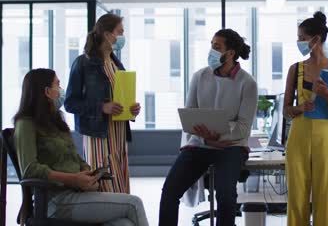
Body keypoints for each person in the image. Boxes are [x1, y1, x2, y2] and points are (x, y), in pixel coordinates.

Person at [14, 68, 149, 226]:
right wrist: (74, 180)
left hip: (76, 194)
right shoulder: (25, 124)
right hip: (56, 201)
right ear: (47, 91)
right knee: (134, 204)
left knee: (124, 224)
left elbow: (74, 156)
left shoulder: (55, 121)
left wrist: (88, 175)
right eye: (58, 85)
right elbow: (30, 169)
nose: (61, 90)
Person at [158, 29, 258, 226]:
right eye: (211, 45)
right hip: (199, 144)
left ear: (230, 53)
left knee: (226, 195)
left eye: (217, 47)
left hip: (231, 147)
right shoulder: (200, 76)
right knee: (170, 191)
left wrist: (217, 136)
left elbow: (243, 129)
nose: (211, 50)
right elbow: (189, 115)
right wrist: (205, 138)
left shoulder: (248, 84)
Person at [283, 11, 328, 226]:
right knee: (297, 197)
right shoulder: (296, 69)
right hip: (299, 137)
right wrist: (299, 107)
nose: (299, 42)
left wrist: (327, 95)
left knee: (325, 196)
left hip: (327, 138)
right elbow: (285, 110)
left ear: (316, 39)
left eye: (302, 38)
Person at [65, 13, 140, 194]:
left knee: (120, 190)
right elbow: (70, 103)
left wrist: (132, 109)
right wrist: (101, 107)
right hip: (98, 136)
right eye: (120, 32)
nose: (122, 36)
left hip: (119, 137)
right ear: (107, 34)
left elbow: (120, 98)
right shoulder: (83, 63)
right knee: (105, 188)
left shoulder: (116, 65)